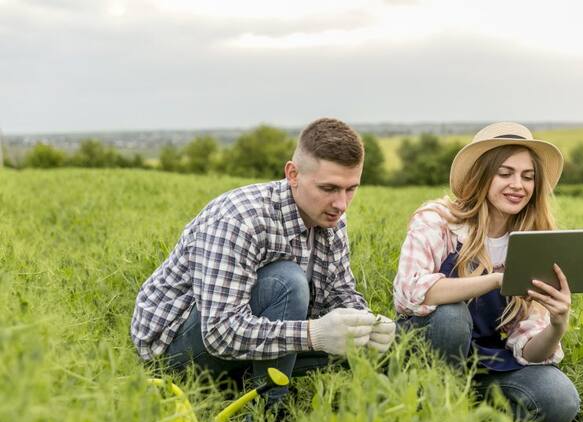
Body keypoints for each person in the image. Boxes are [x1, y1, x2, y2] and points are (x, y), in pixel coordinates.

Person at [131, 118, 396, 403]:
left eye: (351, 189)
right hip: (177, 352)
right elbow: (219, 333)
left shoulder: (331, 220)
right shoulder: (240, 220)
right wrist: (313, 334)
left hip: (246, 344)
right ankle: (268, 412)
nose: (341, 204)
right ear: (293, 174)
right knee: (287, 282)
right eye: (329, 188)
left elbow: (339, 293)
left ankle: (249, 385)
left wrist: (368, 325)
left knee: (353, 341)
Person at [393, 122, 580, 422]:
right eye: (505, 173)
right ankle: (428, 406)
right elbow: (408, 292)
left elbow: (530, 349)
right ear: (481, 175)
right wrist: (495, 280)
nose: (518, 185)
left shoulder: (533, 241)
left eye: (528, 177)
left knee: (559, 399)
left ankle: (472, 418)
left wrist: (557, 325)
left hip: (485, 362)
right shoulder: (439, 221)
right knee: (451, 317)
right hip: (425, 350)